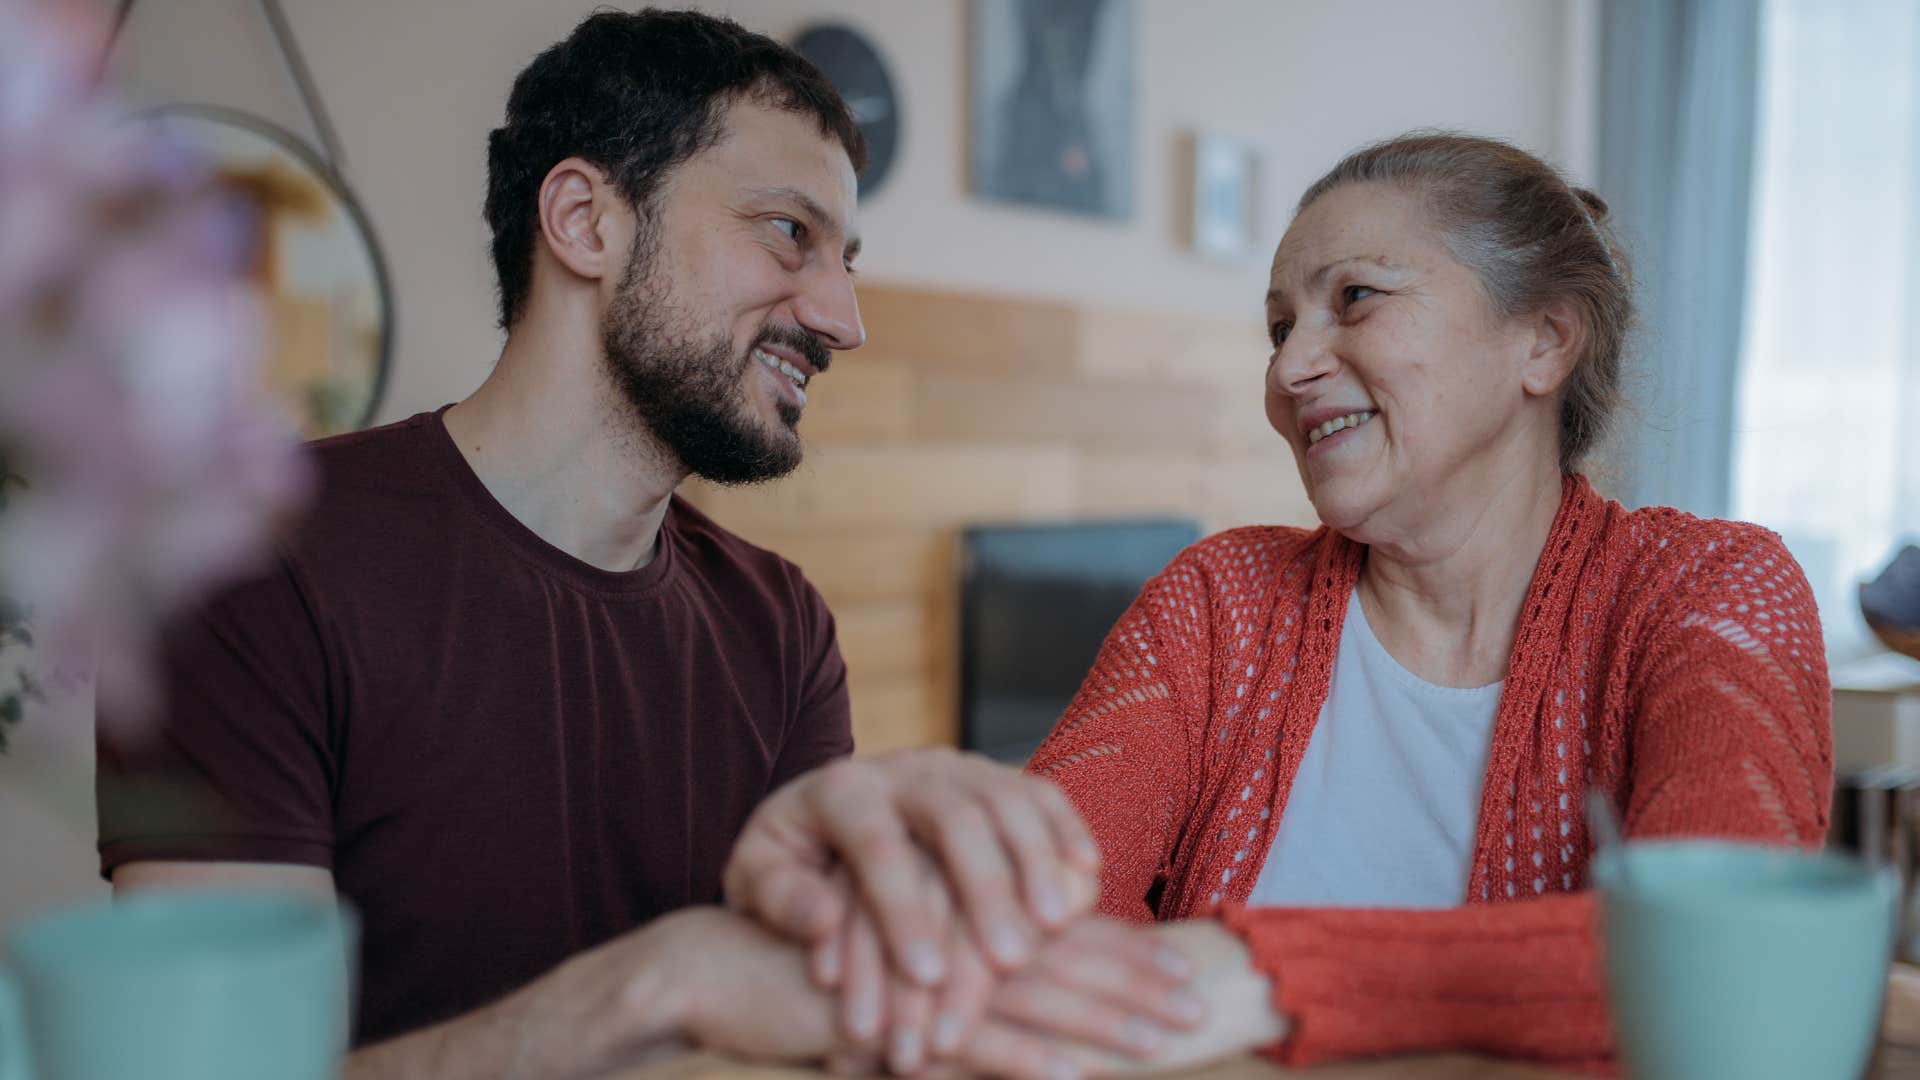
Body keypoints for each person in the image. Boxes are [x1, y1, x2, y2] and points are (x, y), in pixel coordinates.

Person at [93, 10, 1193, 1080]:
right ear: (585, 222)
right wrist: (651, 989)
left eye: (844, 258)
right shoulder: (247, 560)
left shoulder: (784, 625)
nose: (845, 318)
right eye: (789, 233)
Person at [1012, 132, 1833, 1074]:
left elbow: (1719, 967)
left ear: (1544, 339)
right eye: (1281, 329)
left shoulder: (1709, 590)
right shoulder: (1217, 603)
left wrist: (1259, 974)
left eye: (1355, 299)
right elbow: (1026, 921)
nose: (1288, 372)